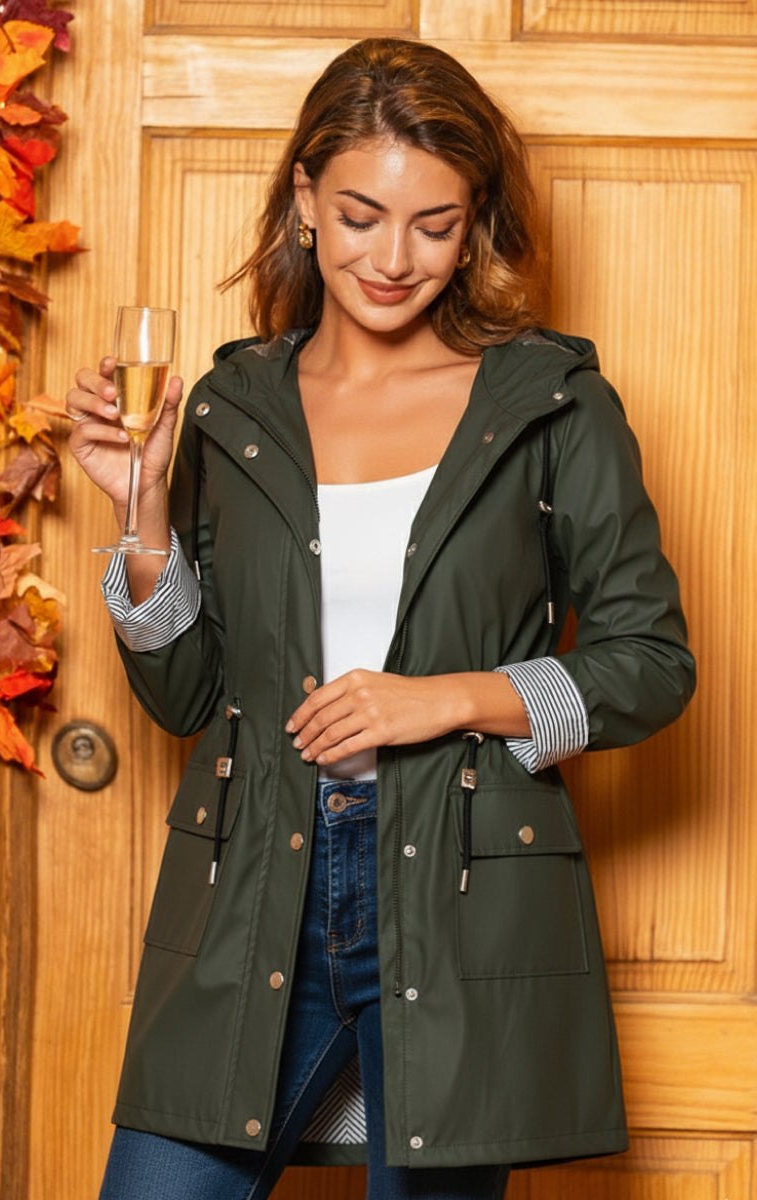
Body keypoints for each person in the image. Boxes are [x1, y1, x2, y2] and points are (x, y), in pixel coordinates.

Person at [66, 36, 695, 1200]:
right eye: (359, 215)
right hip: (253, 878)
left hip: (460, 896)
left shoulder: (551, 405)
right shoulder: (231, 401)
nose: (392, 259)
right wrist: (143, 512)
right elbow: (189, 697)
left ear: (476, 225)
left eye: (433, 224)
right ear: (303, 200)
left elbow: (650, 664)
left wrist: (446, 699)